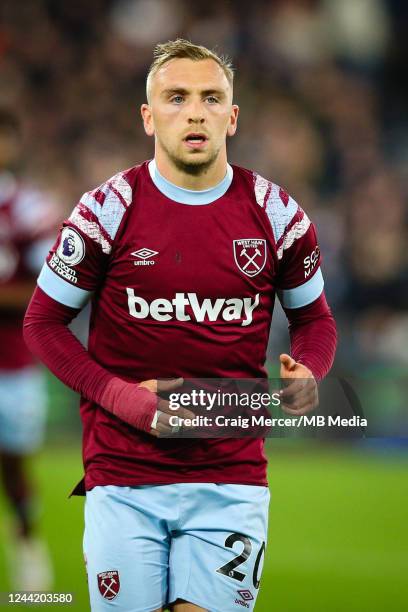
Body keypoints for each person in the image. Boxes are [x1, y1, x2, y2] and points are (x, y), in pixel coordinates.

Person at [24, 40, 337, 611]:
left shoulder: (277, 215)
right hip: (123, 474)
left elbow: (314, 318)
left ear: (232, 116)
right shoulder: (106, 210)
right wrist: (121, 396)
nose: (195, 111)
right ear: (148, 116)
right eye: (176, 97)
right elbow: (43, 322)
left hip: (231, 476)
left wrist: (309, 369)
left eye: (211, 98)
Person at [0, 109, 54, 590]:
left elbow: (49, 290)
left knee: (14, 464)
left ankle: (27, 542)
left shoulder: (30, 209)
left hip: (14, 365)